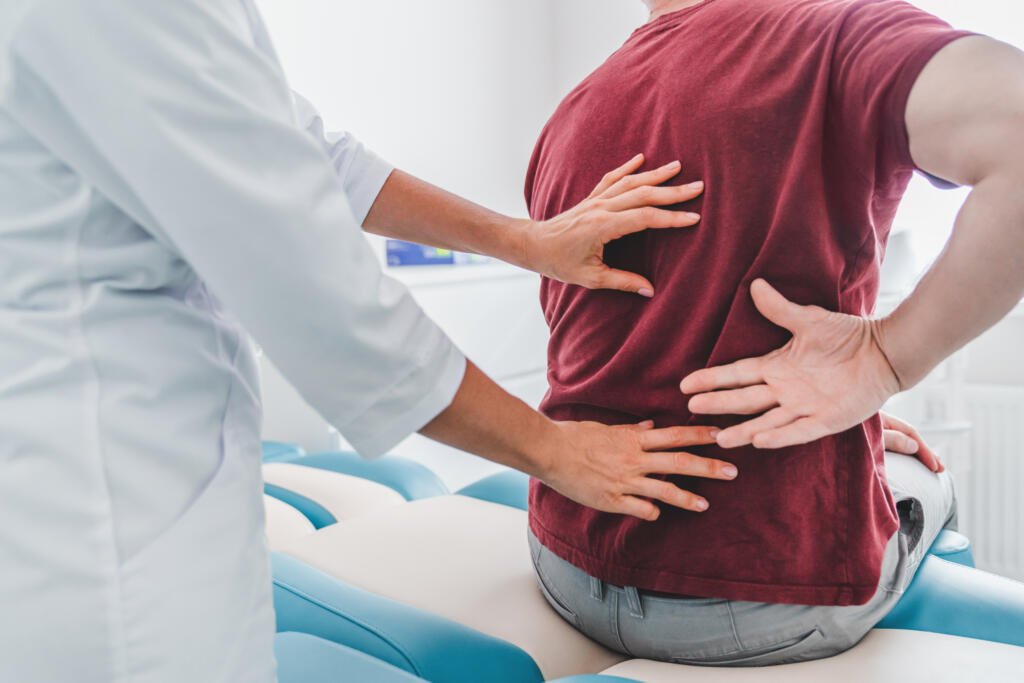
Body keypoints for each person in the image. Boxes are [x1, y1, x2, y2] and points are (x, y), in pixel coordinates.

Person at [0, 1, 752, 681]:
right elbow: (334, 316)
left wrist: (526, 241)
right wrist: (558, 454)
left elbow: (321, 157)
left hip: (153, 474)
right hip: (103, 524)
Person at [525, 0, 1024, 667]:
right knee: (934, 481)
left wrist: (861, 421)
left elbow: (625, 341)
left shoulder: (571, 112)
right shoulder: (832, 33)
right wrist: (885, 361)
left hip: (563, 559)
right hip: (759, 603)